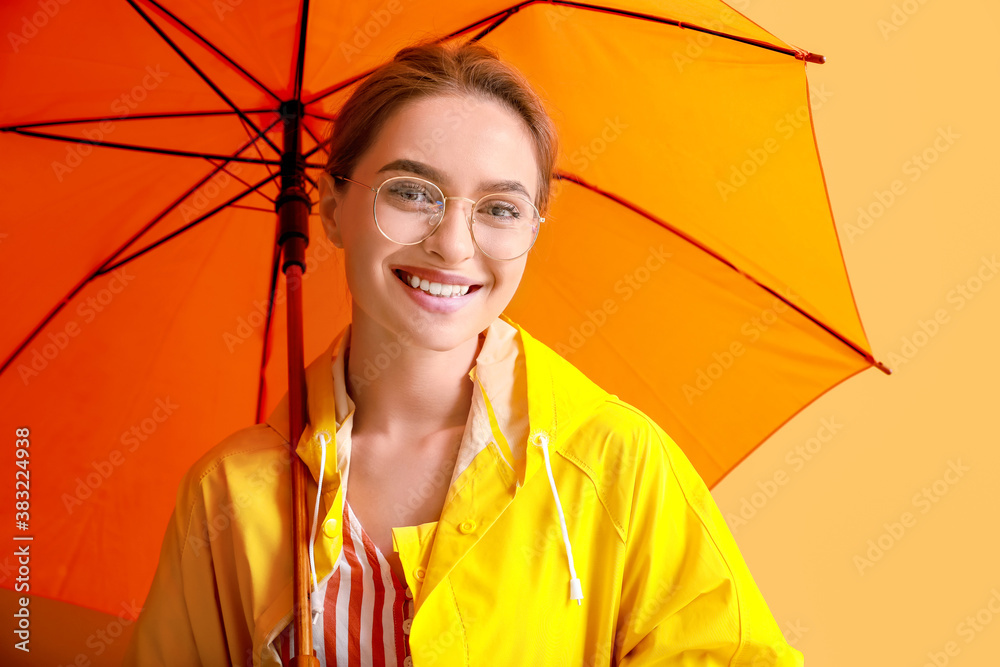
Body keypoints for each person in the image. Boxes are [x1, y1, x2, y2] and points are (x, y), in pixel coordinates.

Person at [124, 40, 804, 667]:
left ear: (535, 228)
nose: (452, 244)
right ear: (331, 206)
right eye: (412, 192)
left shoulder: (616, 463)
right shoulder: (227, 493)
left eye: (500, 208)